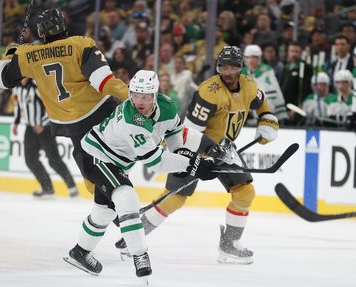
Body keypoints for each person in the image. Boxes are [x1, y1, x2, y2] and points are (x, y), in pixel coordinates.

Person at [115, 46, 279, 265]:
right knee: (174, 199)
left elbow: (261, 103)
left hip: (225, 148)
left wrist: (267, 118)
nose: (228, 72)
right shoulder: (209, 92)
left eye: (233, 67)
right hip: (195, 146)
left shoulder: (249, 85)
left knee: (244, 193)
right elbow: (187, 131)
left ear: (242, 68)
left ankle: (229, 244)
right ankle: (131, 240)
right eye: (223, 67)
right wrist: (199, 159)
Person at [64, 70, 228, 280]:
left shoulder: (168, 106)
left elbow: (175, 144)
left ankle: (80, 251)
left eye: (145, 96)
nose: (139, 101)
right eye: (135, 95)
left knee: (105, 212)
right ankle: (140, 256)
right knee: (126, 196)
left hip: (118, 163)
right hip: (95, 154)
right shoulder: (132, 119)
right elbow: (156, 162)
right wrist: (193, 164)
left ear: (155, 96)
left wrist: (193, 161)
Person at [0, 9, 128, 197]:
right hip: (100, 110)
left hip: (72, 123)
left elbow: (2, 80)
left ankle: (112, 204)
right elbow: (104, 81)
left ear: (41, 33)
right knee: (123, 148)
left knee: (91, 172)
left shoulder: (28, 55)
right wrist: (132, 97)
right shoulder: (80, 43)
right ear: (64, 27)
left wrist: (10, 54)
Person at [12, 78, 78, 198]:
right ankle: (47, 188)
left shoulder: (36, 86)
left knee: (53, 160)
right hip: (30, 128)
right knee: (30, 160)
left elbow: (51, 104)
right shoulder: (17, 88)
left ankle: (72, 186)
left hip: (45, 129)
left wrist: (43, 123)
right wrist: (16, 123)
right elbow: (18, 105)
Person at [242, 44, 288, 122]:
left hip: (267, 107)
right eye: (249, 57)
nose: (251, 60)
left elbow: (273, 91)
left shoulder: (266, 70)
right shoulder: (243, 72)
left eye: (254, 57)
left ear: (259, 58)